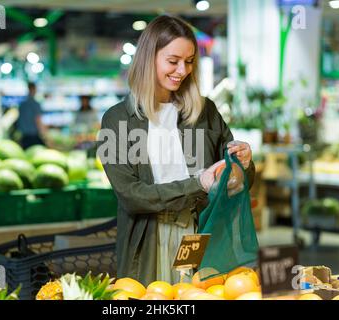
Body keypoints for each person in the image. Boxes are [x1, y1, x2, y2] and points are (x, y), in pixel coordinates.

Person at [98, 15, 256, 286]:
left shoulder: (205, 112)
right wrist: (198, 183)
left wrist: (242, 167)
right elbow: (131, 196)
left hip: (198, 233)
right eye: (173, 61)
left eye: (189, 61)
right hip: (148, 238)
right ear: (149, 59)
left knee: (197, 296)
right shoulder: (117, 120)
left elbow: (234, 180)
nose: (182, 70)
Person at [17, 82, 47, 148]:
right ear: (34, 89)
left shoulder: (22, 104)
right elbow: (38, 120)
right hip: (34, 137)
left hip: (24, 137)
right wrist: (44, 135)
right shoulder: (35, 104)